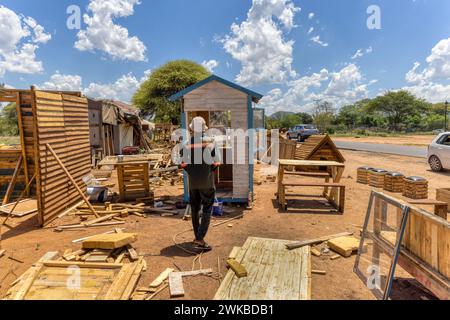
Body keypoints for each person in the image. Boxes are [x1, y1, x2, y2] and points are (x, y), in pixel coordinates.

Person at [180, 117, 220, 251]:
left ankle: (197, 236)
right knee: (207, 209)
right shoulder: (211, 142)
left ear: (191, 128)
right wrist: (208, 171)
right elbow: (217, 163)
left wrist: (191, 171)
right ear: (204, 128)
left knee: (195, 209)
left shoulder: (186, 144)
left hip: (193, 183)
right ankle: (199, 239)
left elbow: (182, 163)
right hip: (207, 182)